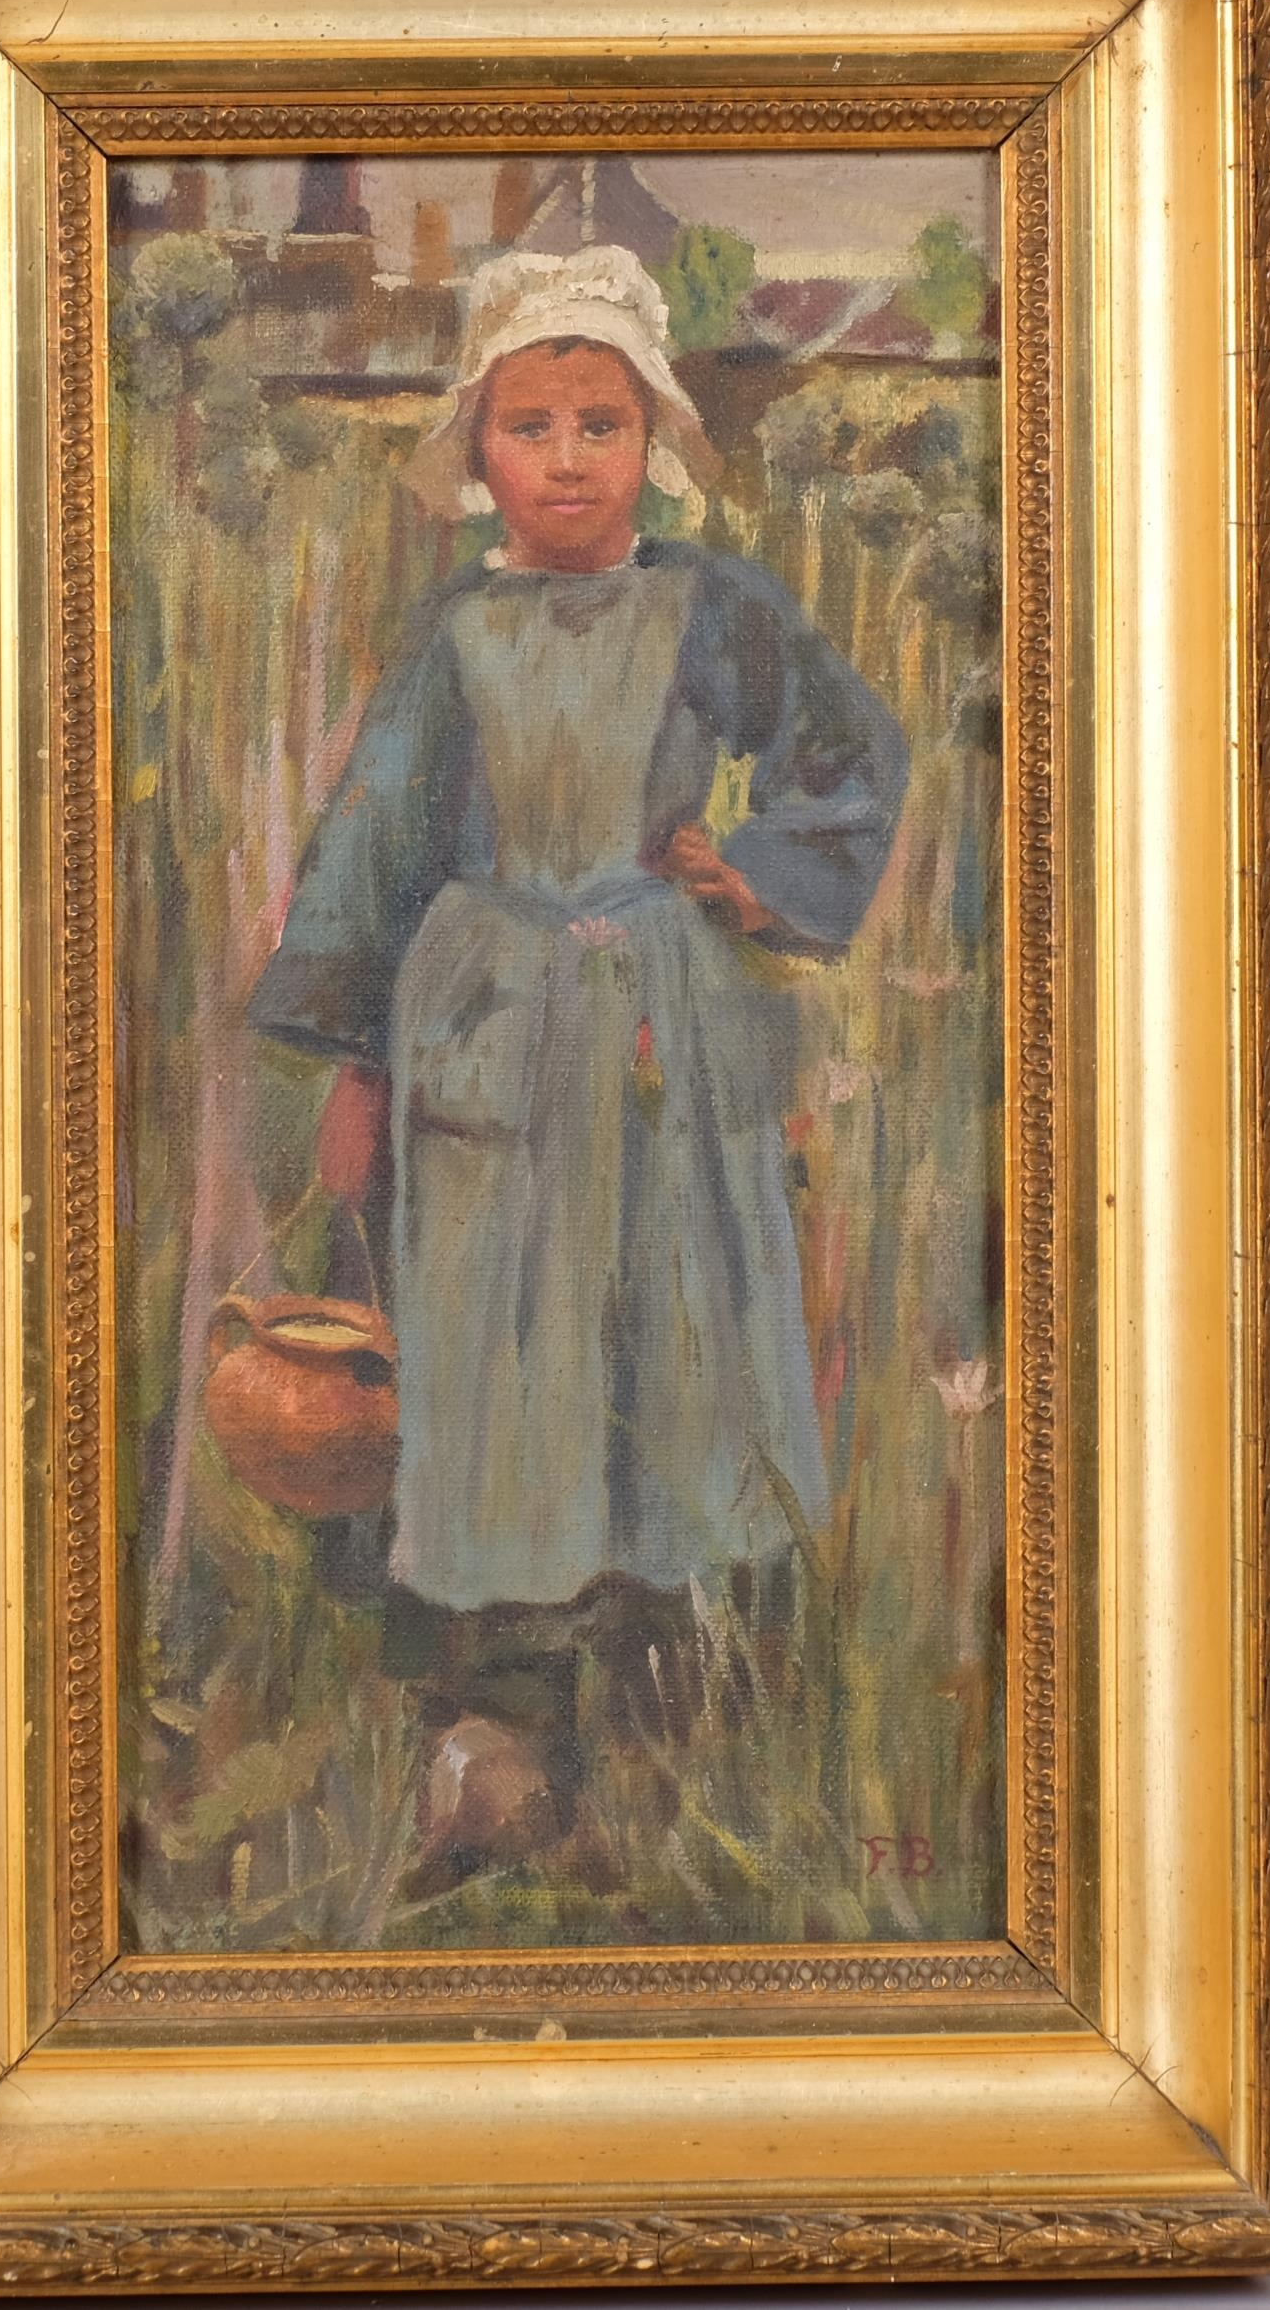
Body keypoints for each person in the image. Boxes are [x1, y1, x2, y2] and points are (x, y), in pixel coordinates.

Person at [249, 243, 908, 1884]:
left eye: (598, 425)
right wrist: (355, 1071)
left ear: (653, 440)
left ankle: (656, 1738)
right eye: (527, 425)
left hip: (658, 1029)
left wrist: (750, 872)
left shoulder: (715, 606)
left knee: (667, 1339)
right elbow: (375, 849)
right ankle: (497, 1750)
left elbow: (846, 750)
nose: (563, 460)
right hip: (480, 1025)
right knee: (493, 1356)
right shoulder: (453, 633)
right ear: (475, 451)